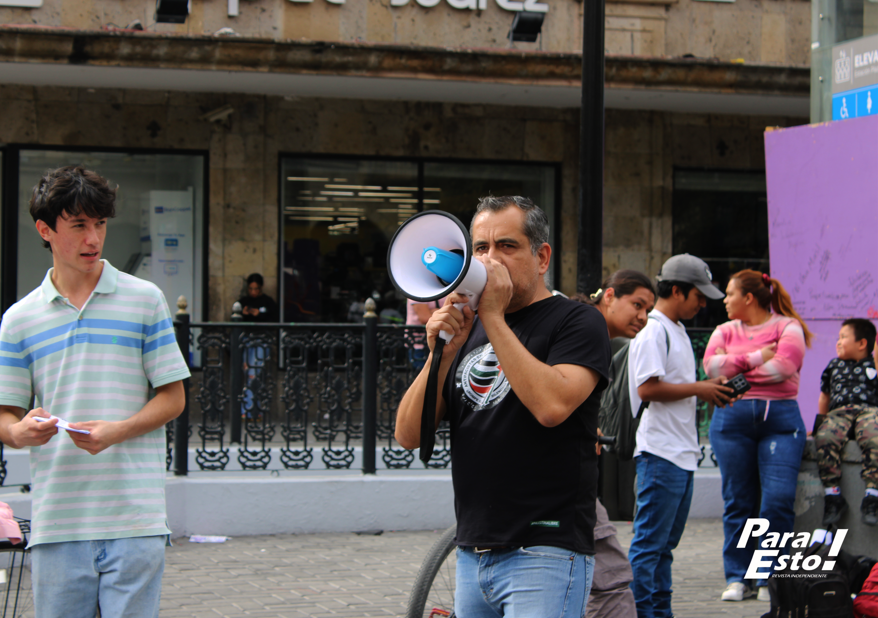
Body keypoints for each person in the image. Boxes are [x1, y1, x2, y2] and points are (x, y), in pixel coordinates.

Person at [395, 196, 611, 618]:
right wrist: (440, 356)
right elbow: (408, 434)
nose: (490, 259)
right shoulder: (468, 330)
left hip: (546, 549)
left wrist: (492, 317)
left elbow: (551, 406)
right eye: (480, 248)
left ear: (541, 257)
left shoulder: (577, 322)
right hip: (473, 551)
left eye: (507, 246)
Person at [0, 166, 189, 618]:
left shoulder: (145, 299)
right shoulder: (19, 320)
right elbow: (6, 415)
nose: (93, 239)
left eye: (100, 224)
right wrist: (18, 432)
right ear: (45, 230)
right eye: (79, 225)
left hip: (135, 517)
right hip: (58, 522)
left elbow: (174, 398)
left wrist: (117, 431)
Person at [627, 254, 733, 618]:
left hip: (680, 454)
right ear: (676, 290)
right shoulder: (654, 330)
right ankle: (643, 613)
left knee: (664, 548)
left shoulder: (678, 331)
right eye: (698, 296)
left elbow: (674, 387)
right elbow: (647, 389)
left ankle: (661, 612)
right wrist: (700, 388)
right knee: (649, 546)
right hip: (660, 453)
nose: (702, 304)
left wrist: (707, 390)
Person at [703, 269, 812, 602]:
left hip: (780, 423)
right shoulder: (724, 329)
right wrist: (756, 358)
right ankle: (738, 576)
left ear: (748, 298)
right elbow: (711, 368)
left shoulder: (788, 327)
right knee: (738, 501)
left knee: (777, 500)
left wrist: (737, 372)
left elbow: (784, 367)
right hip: (730, 423)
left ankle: (770, 577)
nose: (725, 300)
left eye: (730, 293)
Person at [575, 269, 657, 618]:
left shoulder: (589, 330)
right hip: (560, 478)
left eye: (648, 310)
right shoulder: (587, 327)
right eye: (637, 304)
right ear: (609, 295)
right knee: (612, 581)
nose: (643, 316)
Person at [815, 318, 878, 526]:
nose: (838, 342)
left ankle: (872, 494)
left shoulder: (874, 364)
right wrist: (821, 422)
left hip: (869, 412)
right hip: (839, 413)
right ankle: (833, 495)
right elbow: (825, 396)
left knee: (874, 437)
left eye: (843, 337)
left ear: (862, 343)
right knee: (825, 438)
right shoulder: (834, 365)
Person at [405, 297, 444, 370]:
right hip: (419, 344)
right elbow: (424, 318)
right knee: (422, 373)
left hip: (440, 344)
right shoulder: (417, 291)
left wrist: (434, 312)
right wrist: (443, 312)